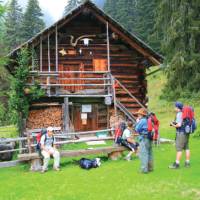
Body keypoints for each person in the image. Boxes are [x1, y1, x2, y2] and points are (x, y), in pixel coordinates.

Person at [169, 102, 190, 169]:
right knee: (186, 148)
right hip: (186, 132)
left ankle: (177, 164)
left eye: (175, 107)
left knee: (179, 149)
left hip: (181, 133)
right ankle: (187, 163)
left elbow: (179, 125)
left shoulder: (179, 114)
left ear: (178, 108)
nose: (174, 108)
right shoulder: (185, 113)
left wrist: (172, 125)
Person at [135, 108, 153, 173]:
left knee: (143, 154)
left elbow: (137, 129)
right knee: (149, 153)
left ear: (142, 115)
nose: (138, 115)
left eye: (139, 114)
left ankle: (144, 169)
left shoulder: (142, 121)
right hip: (149, 137)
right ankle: (150, 168)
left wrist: (137, 122)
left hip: (144, 138)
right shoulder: (148, 120)